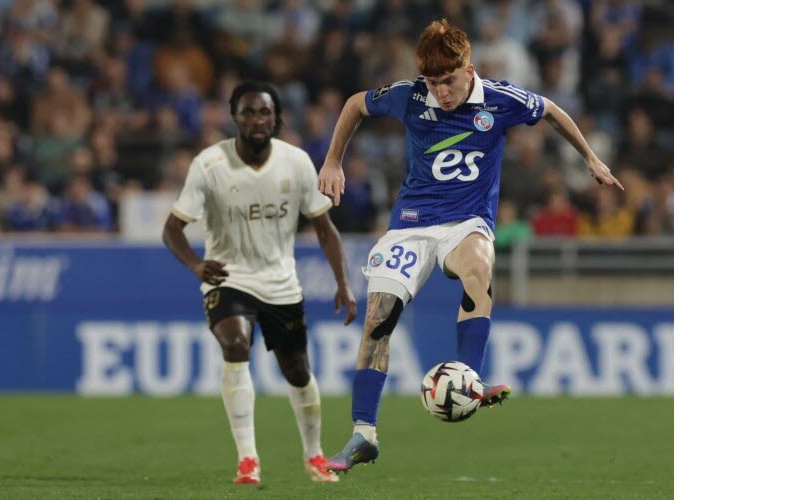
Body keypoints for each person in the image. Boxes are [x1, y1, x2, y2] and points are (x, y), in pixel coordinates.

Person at [315, 19, 623, 472]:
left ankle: (468, 378)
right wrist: (332, 160)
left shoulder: (501, 99)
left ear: (470, 69)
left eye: (450, 81)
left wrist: (591, 158)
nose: (442, 92)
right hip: (411, 225)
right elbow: (354, 105)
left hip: (466, 221)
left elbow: (553, 111)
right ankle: (364, 434)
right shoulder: (410, 95)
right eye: (434, 83)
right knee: (378, 319)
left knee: (479, 265)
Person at [161, 81, 358, 485]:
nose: (256, 120)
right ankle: (248, 459)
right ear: (234, 117)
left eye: (264, 112)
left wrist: (344, 283)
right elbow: (172, 229)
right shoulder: (209, 164)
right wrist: (197, 266)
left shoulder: (297, 162)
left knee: (297, 370)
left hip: (280, 282)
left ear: (277, 118)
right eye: (248, 112)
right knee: (235, 344)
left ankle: (314, 455)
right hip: (227, 277)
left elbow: (324, 228)